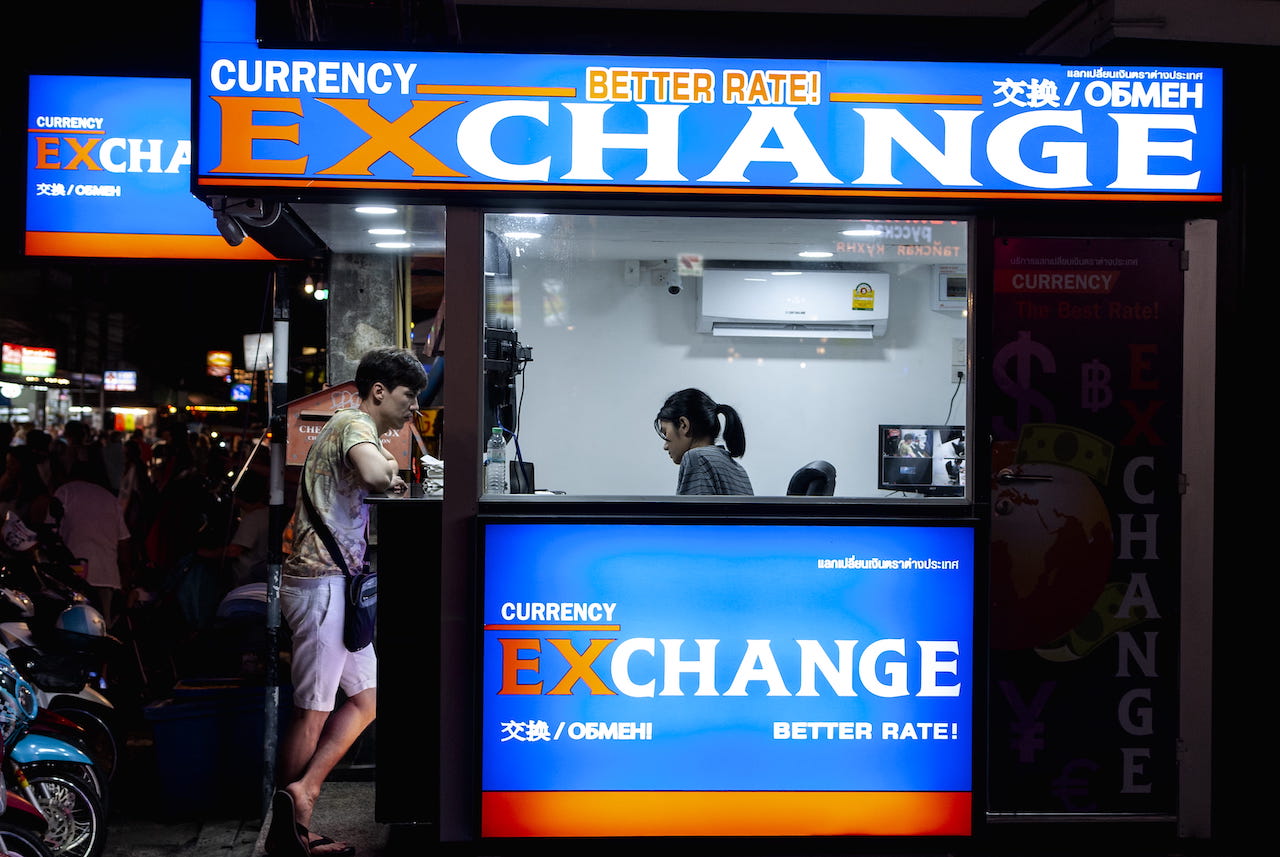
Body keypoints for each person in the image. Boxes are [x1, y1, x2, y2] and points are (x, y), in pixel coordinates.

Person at [268, 347, 428, 857]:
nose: (415, 408)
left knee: (369, 698)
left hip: (334, 585)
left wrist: (387, 459)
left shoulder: (354, 427)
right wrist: (387, 468)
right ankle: (287, 829)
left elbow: (384, 465)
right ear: (379, 391)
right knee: (311, 711)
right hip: (320, 586)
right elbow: (381, 477)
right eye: (409, 395)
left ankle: (303, 793)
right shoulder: (354, 423)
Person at [654, 388, 753, 496]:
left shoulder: (696, 457)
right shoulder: (738, 469)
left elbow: (696, 513)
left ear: (684, 425)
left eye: (665, 432)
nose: (665, 446)